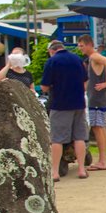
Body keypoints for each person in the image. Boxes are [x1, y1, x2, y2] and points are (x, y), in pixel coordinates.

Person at [41, 40, 89, 181]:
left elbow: (44, 87)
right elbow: (85, 81)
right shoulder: (77, 59)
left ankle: (55, 172)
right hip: (79, 103)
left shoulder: (52, 61)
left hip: (60, 104)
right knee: (79, 137)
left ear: (52, 51)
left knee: (57, 138)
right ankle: (81, 169)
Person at [78, 34, 106, 172]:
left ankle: (102, 161)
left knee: (97, 127)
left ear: (88, 44)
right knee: (100, 127)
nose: (80, 49)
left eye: (81, 46)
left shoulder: (94, 56)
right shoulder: (93, 57)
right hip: (98, 96)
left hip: (97, 98)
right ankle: (102, 159)